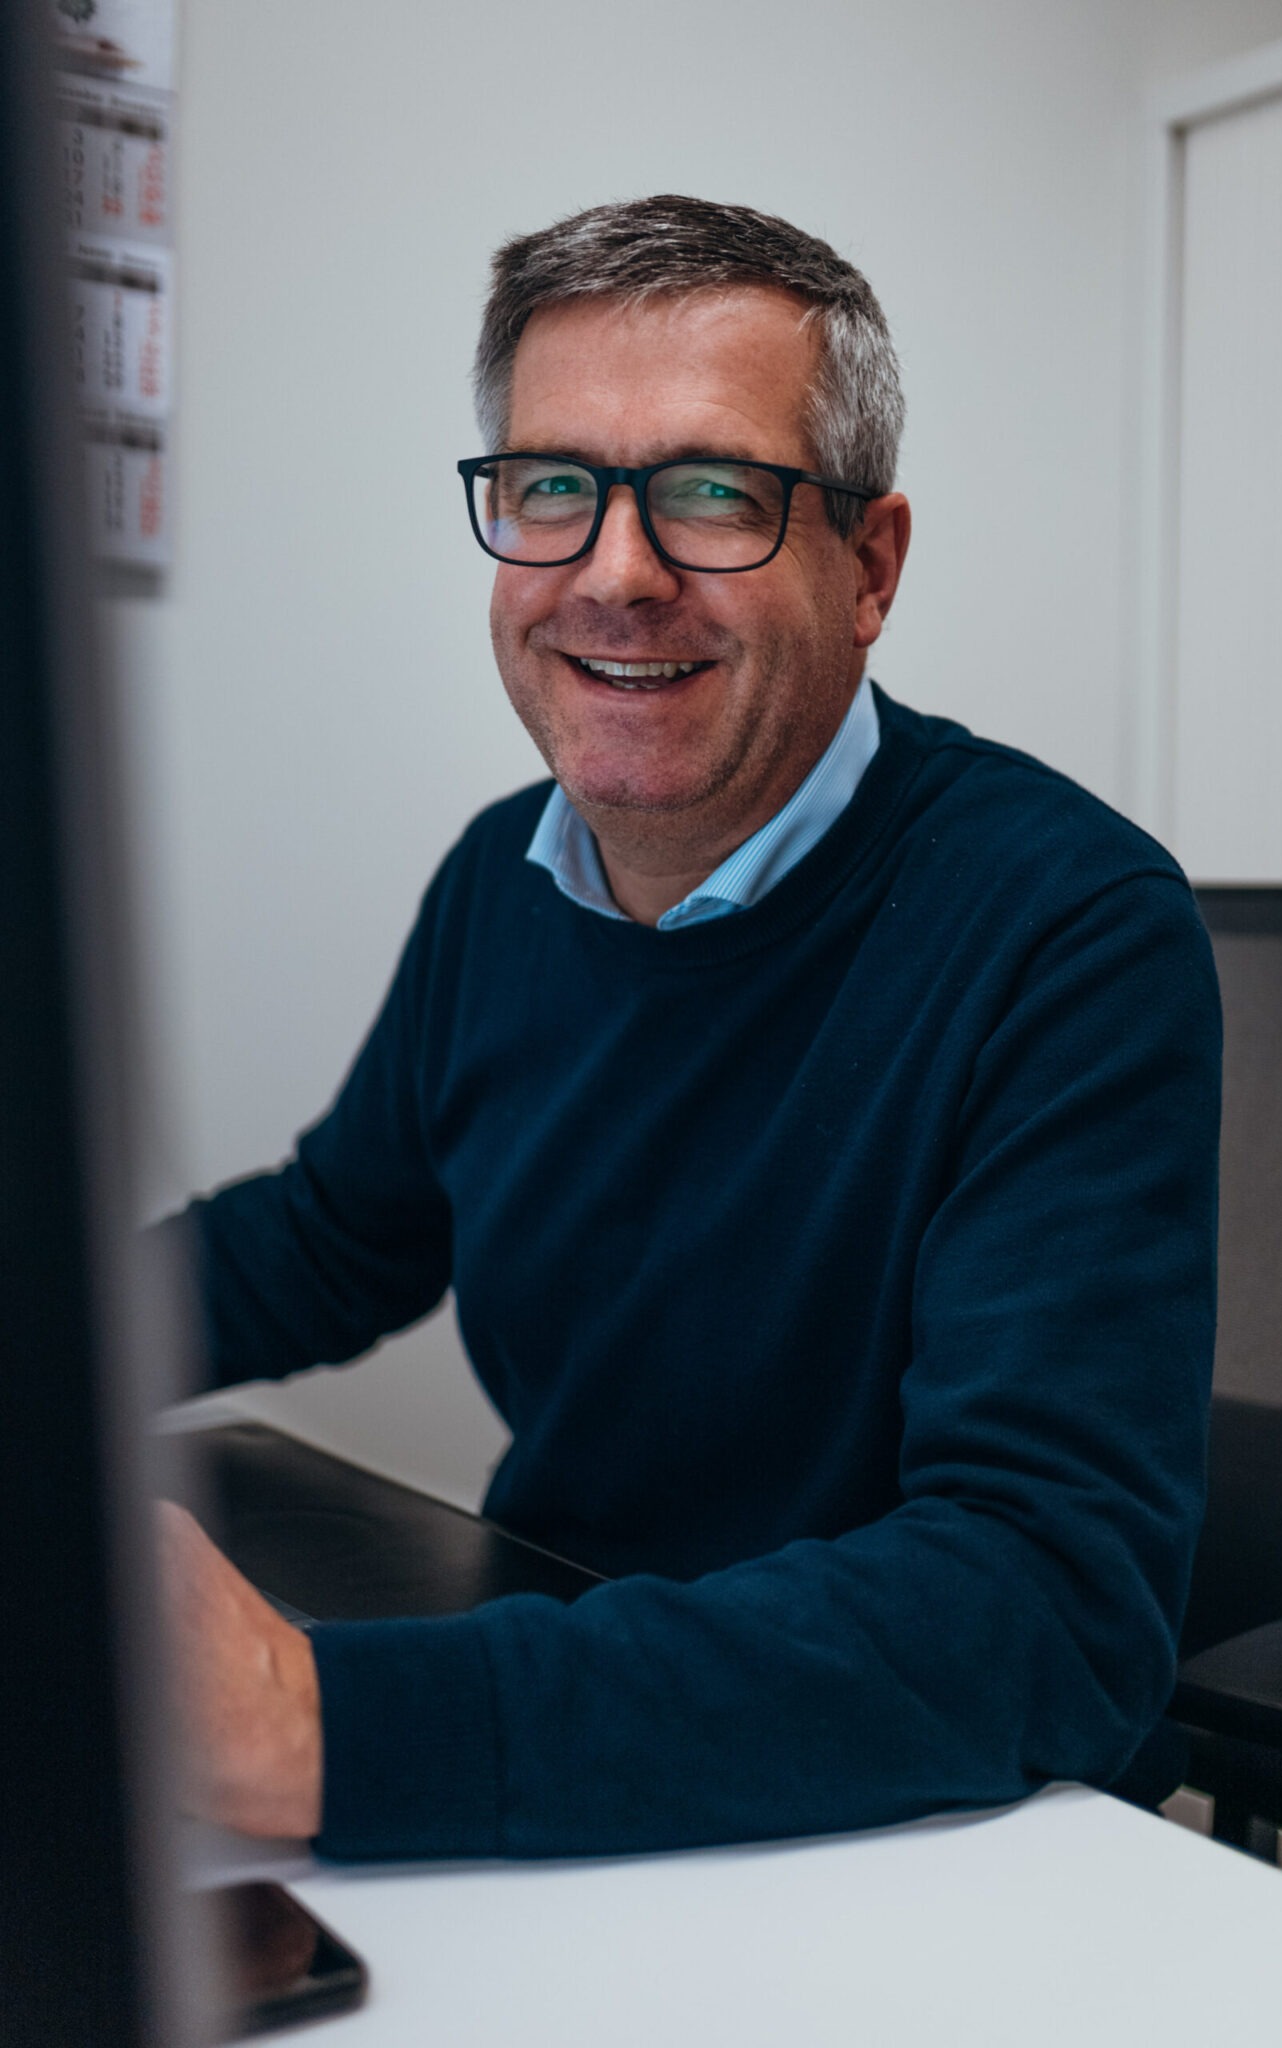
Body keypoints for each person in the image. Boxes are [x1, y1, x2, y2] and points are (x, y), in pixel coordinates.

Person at [159, 195, 1221, 1859]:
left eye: (714, 493)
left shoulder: (1068, 927)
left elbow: (1040, 1605)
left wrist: (324, 1729)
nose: (617, 573)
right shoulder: (498, 884)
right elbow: (333, 1235)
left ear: (867, 569)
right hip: (572, 1693)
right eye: (554, 490)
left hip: (908, 1824)